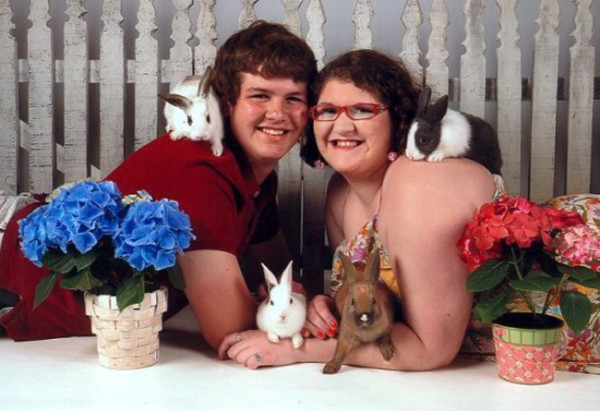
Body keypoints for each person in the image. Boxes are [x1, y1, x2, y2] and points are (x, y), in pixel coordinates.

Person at [0, 21, 317, 349]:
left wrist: (304, 305)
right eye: (260, 96)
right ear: (226, 103)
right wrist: (310, 334)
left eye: (293, 98)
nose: (278, 113)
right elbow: (230, 330)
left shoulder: (254, 178)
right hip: (10, 259)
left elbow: (281, 282)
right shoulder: (202, 172)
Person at [219, 49, 504, 370]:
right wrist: (329, 311)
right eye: (327, 111)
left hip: (515, 373)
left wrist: (299, 348)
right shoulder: (340, 192)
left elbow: (430, 349)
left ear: (400, 119)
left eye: (362, 110)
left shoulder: (421, 181)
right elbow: (385, 315)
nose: (342, 126)